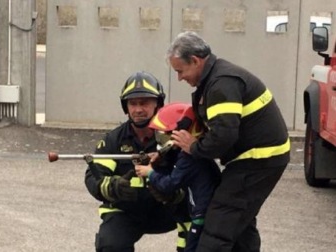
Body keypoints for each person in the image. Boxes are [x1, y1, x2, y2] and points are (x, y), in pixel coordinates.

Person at [166, 31, 291, 252]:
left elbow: (223, 136)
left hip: (257, 160)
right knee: (240, 222)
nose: (179, 78)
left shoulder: (221, 84)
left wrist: (194, 146)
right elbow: (213, 123)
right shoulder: (218, 77)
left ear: (195, 61)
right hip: (261, 157)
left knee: (219, 223)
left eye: (180, 71)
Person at [84, 71, 190, 252]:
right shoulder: (113, 140)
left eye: (145, 103)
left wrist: (175, 193)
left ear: (158, 104)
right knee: (110, 245)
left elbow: (197, 176)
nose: (138, 109)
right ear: (126, 107)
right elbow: (94, 178)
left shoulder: (174, 137)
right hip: (127, 211)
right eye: (133, 103)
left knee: (200, 233)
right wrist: (113, 187)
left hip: (168, 210)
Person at [135, 102, 221, 252]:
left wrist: (149, 172)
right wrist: (161, 156)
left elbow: (170, 184)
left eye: (164, 135)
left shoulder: (188, 158)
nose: (161, 141)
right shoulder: (195, 153)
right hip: (208, 212)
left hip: (202, 214)